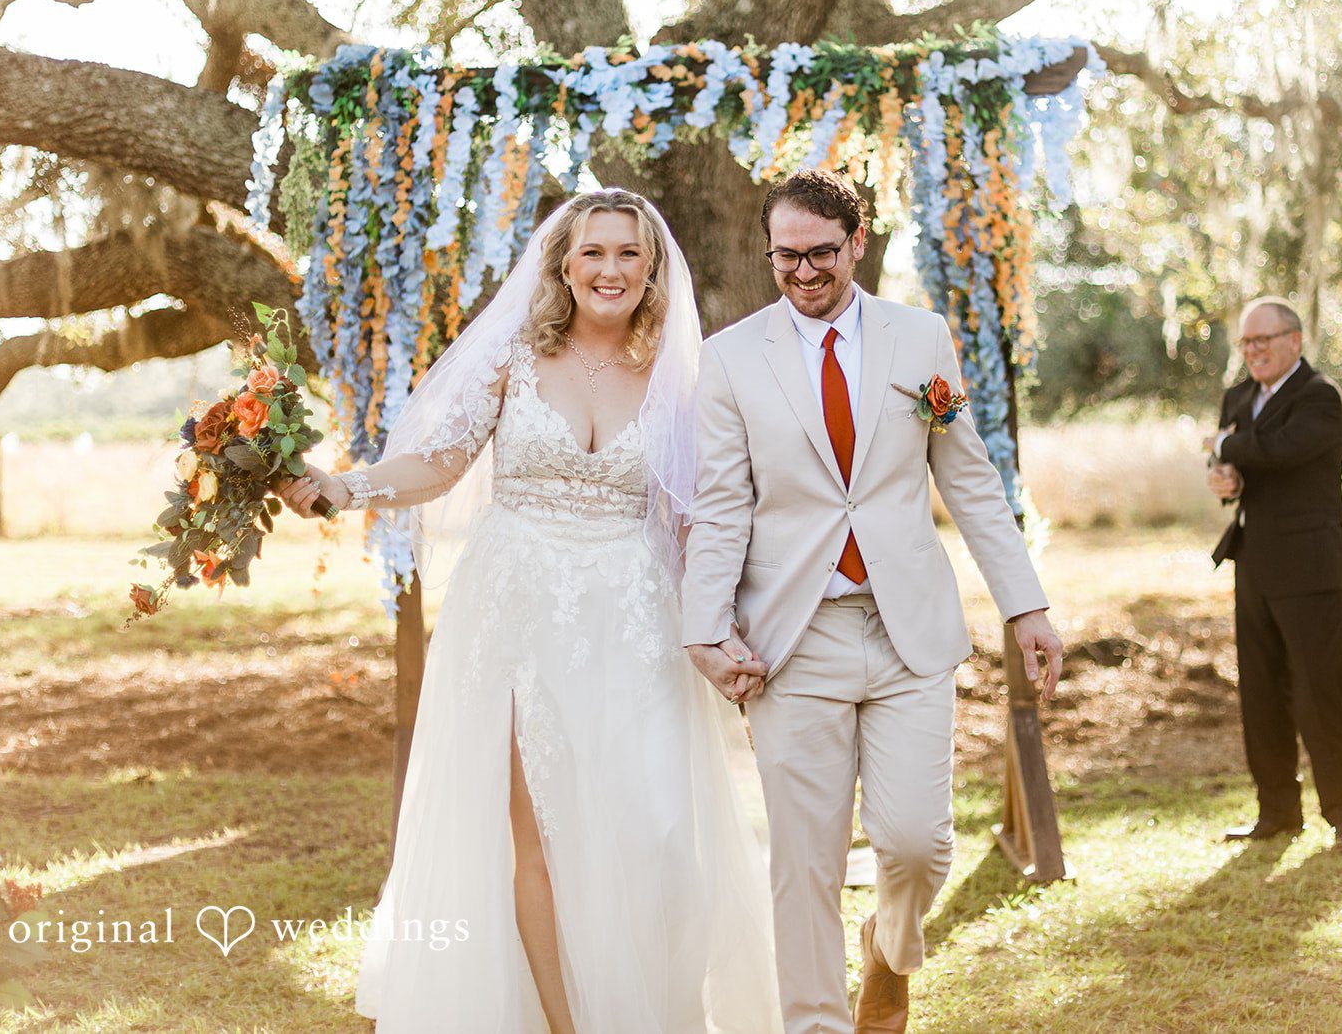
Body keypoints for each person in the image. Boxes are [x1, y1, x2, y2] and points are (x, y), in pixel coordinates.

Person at [278, 190, 783, 1032]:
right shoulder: (514, 355)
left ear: (653, 268)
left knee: (657, 834)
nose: (610, 269)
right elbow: (438, 464)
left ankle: (654, 1009)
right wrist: (342, 486)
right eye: (594, 252)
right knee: (539, 835)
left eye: (629, 254)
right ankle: (563, 1023)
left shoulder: (677, 377)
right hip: (516, 608)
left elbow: (700, 521)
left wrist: (726, 632)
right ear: (563, 263)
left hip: (633, 612)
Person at [681, 169, 1063, 1034]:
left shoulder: (921, 340)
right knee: (805, 864)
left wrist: (1024, 606)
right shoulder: (734, 356)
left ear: (857, 243)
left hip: (907, 633)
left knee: (918, 843)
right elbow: (720, 503)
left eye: (822, 253)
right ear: (769, 251)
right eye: (788, 256)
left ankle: (888, 948)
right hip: (792, 639)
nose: (806, 272)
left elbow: (967, 478)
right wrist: (705, 628)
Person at [1206, 295, 1342, 853]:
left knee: (1320, 693)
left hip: (1311, 570)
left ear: (1294, 340)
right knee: (1261, 694)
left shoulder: (1319, 397)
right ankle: (1276, 811)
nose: (1253, 352)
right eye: (1246, 342)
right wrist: (1227, 478)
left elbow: (1283, 451)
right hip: (1254, 566)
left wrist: (1227, 447)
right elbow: (1241, 466)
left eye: (1263, 340)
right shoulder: (1238, 396)